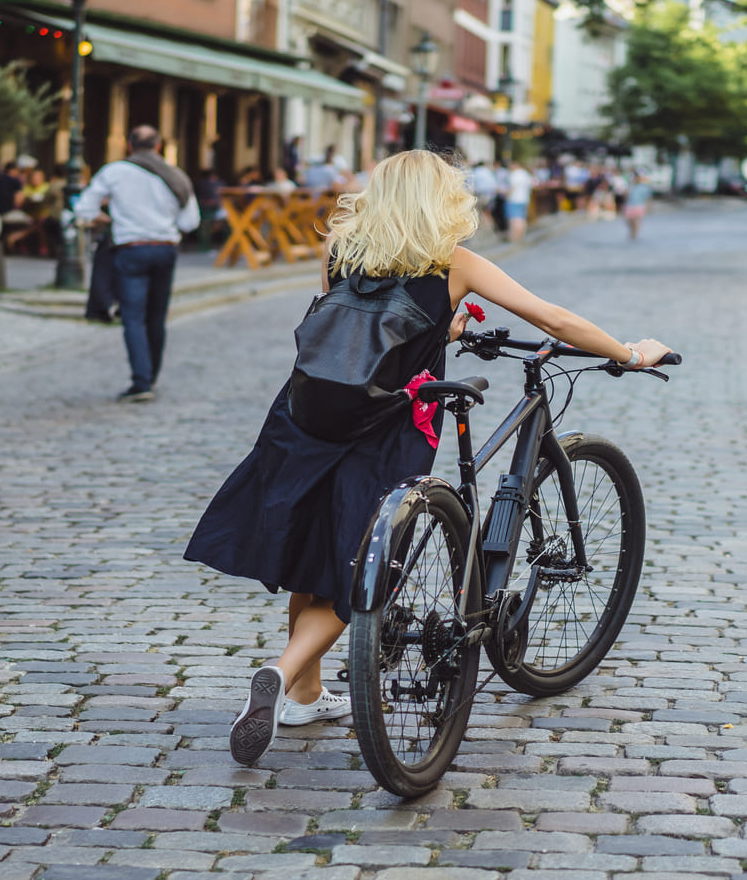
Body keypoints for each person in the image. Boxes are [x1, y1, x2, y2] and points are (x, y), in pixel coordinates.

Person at [184, 150, 671, 767]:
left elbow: (359, 332)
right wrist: (628, 353)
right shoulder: (451, 265)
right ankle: (281, 675)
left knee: (314, 553)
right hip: (386, 428)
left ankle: (305, 695)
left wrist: (451, 330)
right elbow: (552, 318)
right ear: (441, 201)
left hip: (305, 420)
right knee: (364, 565)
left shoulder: (342, 253)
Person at [74, 125, 200, 402]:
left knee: (133, 317)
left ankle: (141, 382)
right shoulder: (176, 175)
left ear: (129, 146)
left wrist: (110, 220)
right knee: (157, 317)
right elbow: (190, 222)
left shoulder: (114, 171)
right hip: (165, 249)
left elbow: (83, 209)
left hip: (131, 249)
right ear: (158, 146)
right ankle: (151, 377)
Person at [504, 160, 534, 243]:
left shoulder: (514, 175)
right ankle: (521, 236)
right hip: (524, 199)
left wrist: (507, 196)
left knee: (514, 219)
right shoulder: (525, 174)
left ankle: (514, 237)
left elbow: (512, 188)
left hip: (514, 199)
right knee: (522, 218)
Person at [467, 161, 498, 231]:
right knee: (487, 212)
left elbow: (471, 185)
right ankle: (490, 228)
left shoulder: (475, 171)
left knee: (478, 211)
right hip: (491, 194)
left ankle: (482, 228)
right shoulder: (488, 171)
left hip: (480, 194)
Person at [623, 171, 653, 240]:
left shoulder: (644, 187)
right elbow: (625, 196)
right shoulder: (630, 186)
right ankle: (632, 232)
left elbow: (648, 198)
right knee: (628, 221)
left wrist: (649, 207)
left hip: (639, 206)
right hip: (629, 205)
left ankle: (634, 235)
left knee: (637, 222)